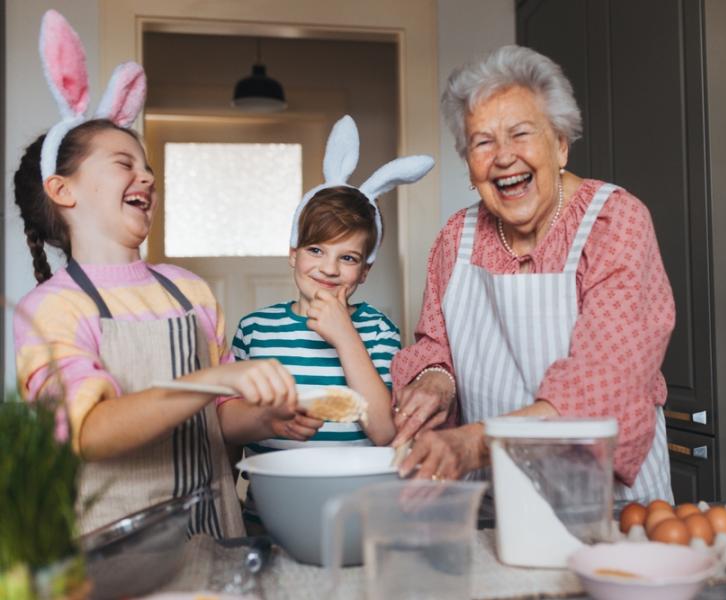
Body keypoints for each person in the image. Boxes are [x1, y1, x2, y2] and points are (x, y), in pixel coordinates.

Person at [13, 10, 298, 538]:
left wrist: (264, 420)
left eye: (147, 167)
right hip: (114, 559)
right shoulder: (52, 309)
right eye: (123, 163)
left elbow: (220, 417)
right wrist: (210, 379)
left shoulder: (188, 290)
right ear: (63, 190)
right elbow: (88, 432)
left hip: (215, 537)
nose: (145, 174)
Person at [390, 45, 676, 502]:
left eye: (520, 134)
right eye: (483, 142)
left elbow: (604, 382)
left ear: (560, 144)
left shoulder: (615, 223)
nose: (503, 157)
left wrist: (472, 443)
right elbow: (435, 345)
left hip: (602, 502)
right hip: (495, 498)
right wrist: (435, 382)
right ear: (469, 166)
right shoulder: (455, 239)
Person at [220, 115, 432, 524]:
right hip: (269, 516)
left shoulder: (376, 330)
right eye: (316, 251)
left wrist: (346, 337)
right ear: (293, 254)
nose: (329, 269)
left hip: (358, 513)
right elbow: (228, 428)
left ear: (364, 272)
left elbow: (385, 432)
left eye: (348, 258)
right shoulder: (255, 329)